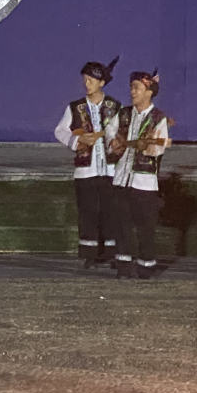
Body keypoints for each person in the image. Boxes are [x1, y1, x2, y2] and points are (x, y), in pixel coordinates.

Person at [55, 56, 121, 269]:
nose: (86, 84)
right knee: (88, 211)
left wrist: (114, 143)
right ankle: (90, 254)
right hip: (86, 170)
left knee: (111, 211)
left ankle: (111, 252)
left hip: (110, 169)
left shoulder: (115, 106)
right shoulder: (75, 107)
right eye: (85, 80)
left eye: (91, 80)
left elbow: (120, 132)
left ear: (101, 83)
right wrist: (78, 140)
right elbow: (60, 131)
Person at [109, 70, 171, 280]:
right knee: (121, 225)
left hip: (144, 183)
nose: (132, 91)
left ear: (149, 92)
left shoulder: (159, 119)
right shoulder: (124, 114)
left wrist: (147, 147)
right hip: (121, 178)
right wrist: (114, 141)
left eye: (137, 87)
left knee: (145, 228)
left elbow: (158, 148)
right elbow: (111, 131)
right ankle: (123, 265)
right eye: (131, 87)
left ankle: (146, 266)